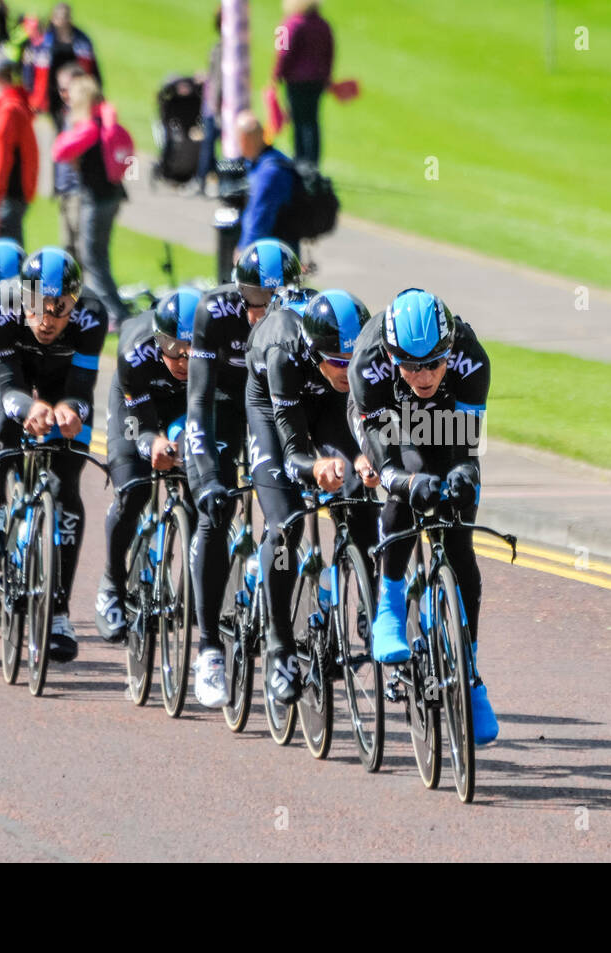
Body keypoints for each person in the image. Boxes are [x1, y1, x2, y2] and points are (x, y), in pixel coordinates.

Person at [348, 289, 499, 743]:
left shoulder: (472, 359)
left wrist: (461, 475)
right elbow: (382, 451)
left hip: (446, 423)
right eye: (411, 365)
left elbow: (467, 449)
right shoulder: (368, 362)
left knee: (459, 539)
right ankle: (390, 610)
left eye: (434, 363)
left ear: (449, 350)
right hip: (387, 421)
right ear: (392, 356)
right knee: (410, 484)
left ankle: (469, 674)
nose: (424, 374)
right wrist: (401, 481)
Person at [243, 287, 376, 704]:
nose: (346, 368)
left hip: (326, 405)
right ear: (316, 351)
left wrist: (366, 460)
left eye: (351, 361)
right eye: (336, 361)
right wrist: (315, 468)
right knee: (285, 526)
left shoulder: (358, 358)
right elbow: (294, 452)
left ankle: (366, 610)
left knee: (358, 491)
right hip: (272, 407)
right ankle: (279, 647)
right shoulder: (284, 351)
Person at [185, 238, 302, 708]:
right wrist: (209, 477)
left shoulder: (301, 319)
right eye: (254, 299)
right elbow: (197, 401)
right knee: (216, 512)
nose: (265, 309)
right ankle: (209, 646)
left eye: (276, 299)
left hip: (273, 410)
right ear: (239, 293)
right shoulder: (214, 313)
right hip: (222, 406)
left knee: (284, 515)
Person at [0, 247, 108, 662]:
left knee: (67, 484)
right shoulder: (1, 304)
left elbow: (83, 387)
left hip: (62, 382)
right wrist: (25, 407)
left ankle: (57, 613)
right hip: (13, 376)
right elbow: (3, 380)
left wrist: (73, 409)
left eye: (59, 309)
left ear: (75, 303)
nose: (47, 318)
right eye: (37, 307)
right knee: (1, 417)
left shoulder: (92, 315)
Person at [95, 289, 195, 645]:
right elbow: (135, 422)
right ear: (158, 340)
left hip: (184, 408)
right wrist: (150, 442)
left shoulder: (217, 354)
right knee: (132, 489)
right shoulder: (135, 350)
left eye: (191, 351)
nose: (183, 360)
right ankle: (112, 581)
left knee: (205, 488)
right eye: (173, 349)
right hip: (137, 407)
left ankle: (195, 582)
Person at [51, 73, 129, 331]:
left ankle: (114, 312)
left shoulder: (89, 128)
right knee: (98, 255)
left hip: (95, 200)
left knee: (92, 257)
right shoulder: (106, 123)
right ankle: (110, 308)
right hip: (112, 195)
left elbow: (59, 151)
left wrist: (72, 126)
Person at [0, 49, 38, 246]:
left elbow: (0, 158)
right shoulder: (13, 104)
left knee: (4, 258)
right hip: (13, 195)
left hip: (7, 195)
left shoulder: (8, 110)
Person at [272, 0, 333, 166]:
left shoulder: (291, 24)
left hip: (296, 81)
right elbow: (329, 52)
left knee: (299, 121)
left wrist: (276, 75)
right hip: (317, 81)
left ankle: (301, 159)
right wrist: (327, 77)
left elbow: (283, 53)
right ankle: (312, 161)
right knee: (312, 121)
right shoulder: (323, 25)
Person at [235, 110, 298, 256]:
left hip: (273, 256)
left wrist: (245, 250)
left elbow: (259, 216)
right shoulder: (269, 161)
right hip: (281, 248)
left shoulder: (269, 173)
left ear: (245, 139)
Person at [28, 2, 99, 124]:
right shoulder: (43, 41)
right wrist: (31, 90)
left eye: (65, 17)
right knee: (58, 121)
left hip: (74, 88)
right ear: (53, 18)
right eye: (59, 17)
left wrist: (95, 87)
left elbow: (92, 67)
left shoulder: (82, 40)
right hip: (51, 89)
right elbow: (30, 67)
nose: (62, 20)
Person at [51, 62, 84, 254]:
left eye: (67, 89)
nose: (63, 94)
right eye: (60, 89)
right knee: (68, 248)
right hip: (65, 190)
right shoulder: (67, 112)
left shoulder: (86, 116)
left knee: (81, 249)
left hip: (78, 191)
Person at [193, 6, 221, 196]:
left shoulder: (222, 49)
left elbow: (219, 80)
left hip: (215, 105)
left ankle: (201, 181)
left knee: (209, 144)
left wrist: (216, 103)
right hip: (215, 102)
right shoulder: (228, 47)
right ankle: (213, 180)